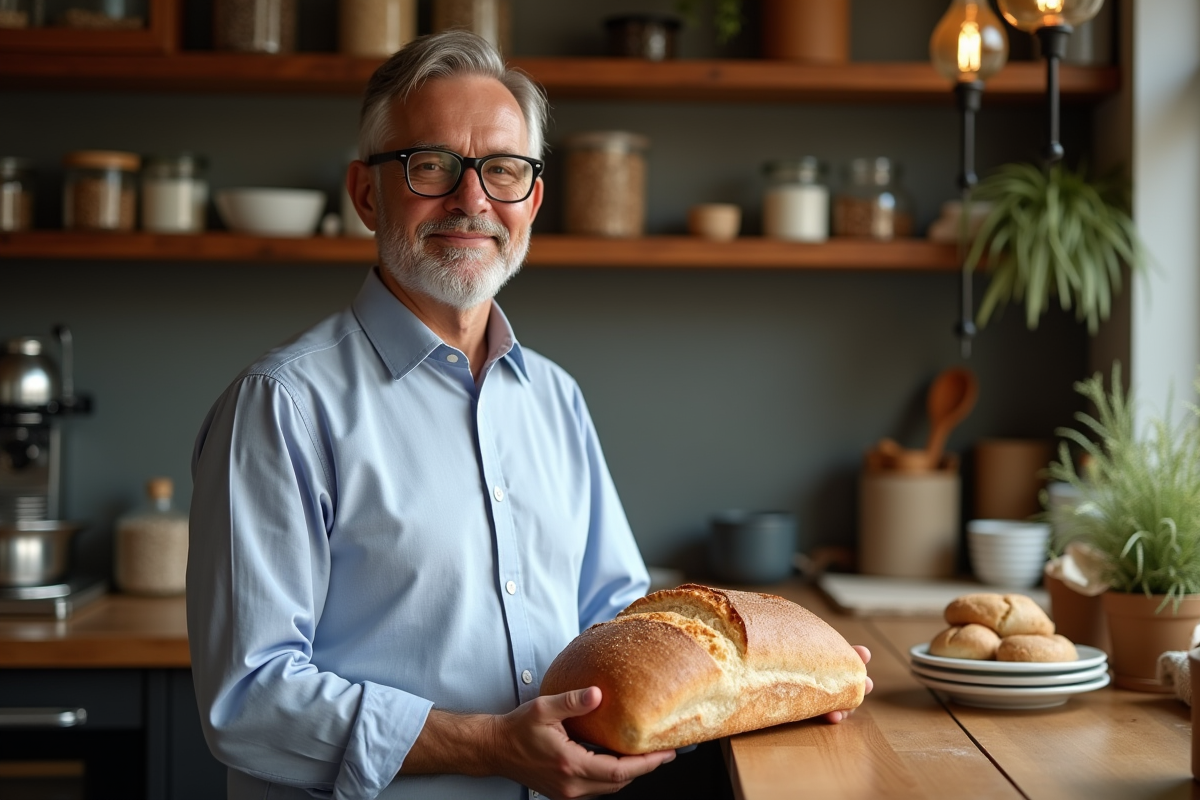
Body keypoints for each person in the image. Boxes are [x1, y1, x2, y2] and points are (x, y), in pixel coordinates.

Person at [187, 30, 871, 800]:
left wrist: (785, 671)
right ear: (367, 193)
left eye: (503, 170)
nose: (472, 200)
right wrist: (486, 746)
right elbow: (247, 701)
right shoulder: (282, 406)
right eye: (432, 165)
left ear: (532, 200)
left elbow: (618, 623)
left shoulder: (553, 396)